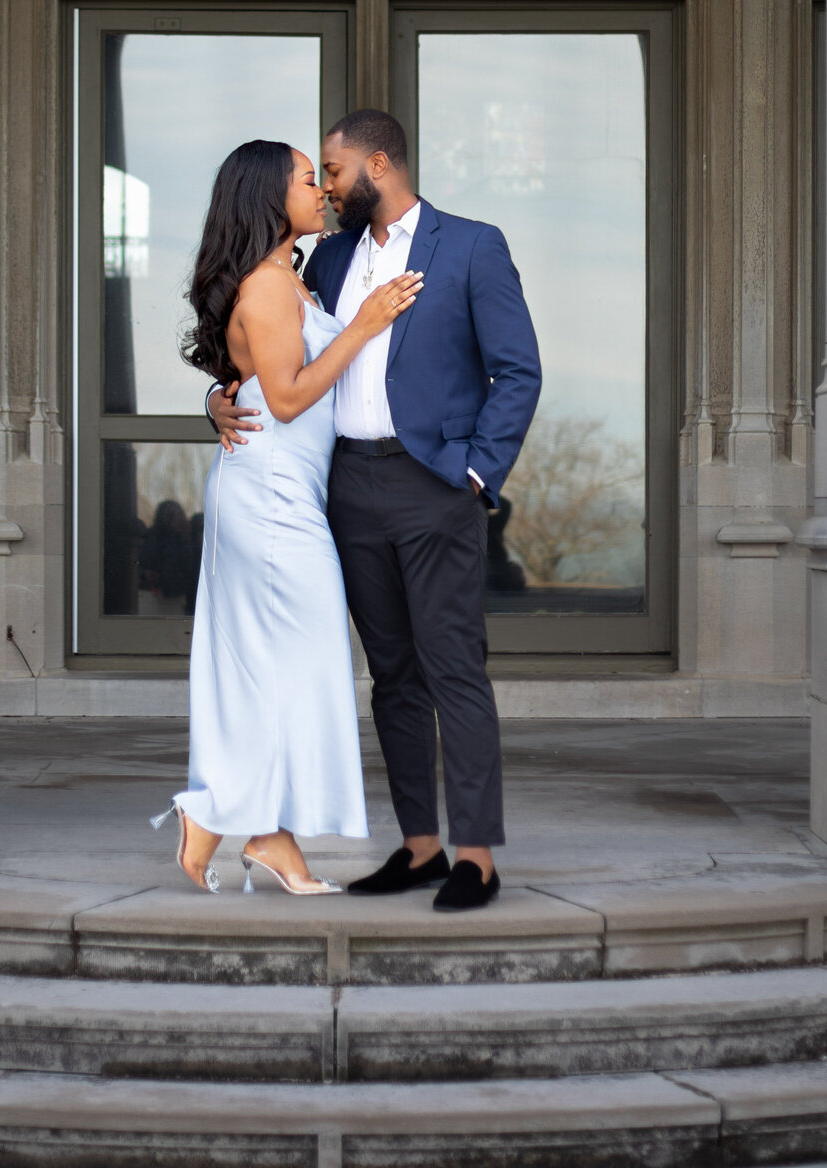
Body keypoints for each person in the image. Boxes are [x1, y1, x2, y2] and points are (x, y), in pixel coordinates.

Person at [212, 110, 541, 912]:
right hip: (345, 492)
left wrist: (474, 473)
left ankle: (474, 857)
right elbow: (267, 353)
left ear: (380, 164)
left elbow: (518, 371)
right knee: (392, 677)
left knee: (454, 669)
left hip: (434, 486)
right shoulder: (324, 260)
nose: (325, 186)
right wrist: (217, 399)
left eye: (333, 169)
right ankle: (421, 847)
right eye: (318, 175)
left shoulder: (471, 246)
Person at [153, 138, 422, 896]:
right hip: (271, 501)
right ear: (272, 198)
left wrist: (217, 398)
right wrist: (367, 323)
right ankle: (216, 817)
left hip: (284, 492)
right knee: (299, 666)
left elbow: (245, 382)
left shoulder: (288, 279)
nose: (323, 191)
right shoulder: (270, 289)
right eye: (310, 180)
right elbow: (289, 397)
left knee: (284, 668)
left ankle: (266, 836)